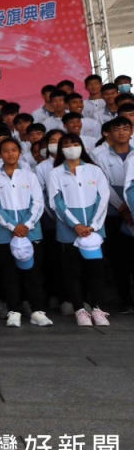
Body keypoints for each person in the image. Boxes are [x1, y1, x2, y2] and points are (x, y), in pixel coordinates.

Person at [0, 139, 51, 328]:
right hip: (5, 232)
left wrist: (27, 225)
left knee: (33, 272)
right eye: (6, 151)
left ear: (20, 152)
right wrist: (12, 226)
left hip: (31, 231)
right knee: (9, 273)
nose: (10, 154)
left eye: (14, 150)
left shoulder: (29, 176)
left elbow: (38, 202)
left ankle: (37, 310)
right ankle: (14, 310)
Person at [48, 134, 111, 326]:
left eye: (75, 143)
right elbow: (56, 202)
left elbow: (103, 197)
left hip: (94, 230)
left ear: (81, 146)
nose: (71, 147)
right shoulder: (56, 173)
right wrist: (75, 224)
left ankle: (98, 308)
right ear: (61, 150)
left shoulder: (94, 170)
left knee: (96, 270)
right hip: (69, 231)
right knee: (72, 271)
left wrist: (93, 225)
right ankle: (80, 310)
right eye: (66, 145)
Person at [94, 117, 134, 313]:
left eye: (126, 128)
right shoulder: (101, 156)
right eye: (117, 129)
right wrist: (123, 207)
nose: (122, 132)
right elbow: (104, 185)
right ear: (109, 133)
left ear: (131, 131)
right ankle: (125, 300)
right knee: (119, 259)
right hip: (113, 213)